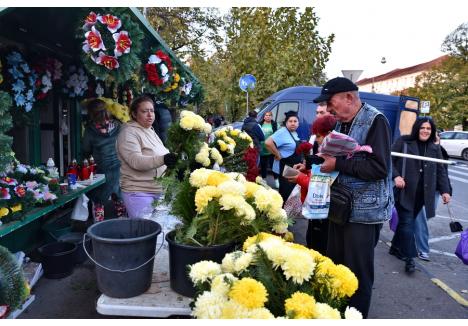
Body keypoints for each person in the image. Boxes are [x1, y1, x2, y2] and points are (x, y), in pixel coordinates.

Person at [313, 77, 393, 318]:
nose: (328, 108)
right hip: (340, 208)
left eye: (330, 102)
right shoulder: (341, 123)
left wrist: (337, 163)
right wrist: (312, 164)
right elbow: (336, 157)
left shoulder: (376, 120)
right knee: (336, 268)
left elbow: (379, 168)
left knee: (357, 276)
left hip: (364, 214)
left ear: (349, 97)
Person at [390, 118, 451, 268]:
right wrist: (396, 176)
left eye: (428, 129)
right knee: (407, 222)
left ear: (432, 132)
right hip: (405, 191)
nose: (425, 131)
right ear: (417, 128)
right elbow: (388, 160)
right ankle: (409, 257)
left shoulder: (434, 148)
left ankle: (395, 248)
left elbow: (441, 170)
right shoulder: (404, 142)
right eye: (422, 128)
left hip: (423, 195)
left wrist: (445, 191)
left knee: (407, 222)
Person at [116, 95, 178, 218]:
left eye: (152, 111)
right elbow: (136, 161)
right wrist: (163, 159)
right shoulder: (128, 133)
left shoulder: (150, 130)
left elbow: (159, 153)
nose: (150, 115)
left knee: (159, 230)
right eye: (144, 111)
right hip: (138, 192)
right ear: (134, 114)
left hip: (156, 190)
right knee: (145, 232)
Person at [284, 114, 337, 254]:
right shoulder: (325, 152)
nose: (317, 140)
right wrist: (306, 170)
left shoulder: (333, 156)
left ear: (330, 135)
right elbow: (317, 177)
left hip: (322, 212)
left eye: (319, 136)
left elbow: (321, 186)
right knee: (312, 242)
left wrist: (300, 177)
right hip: (315, 210)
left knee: (318, 248)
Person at [82, 99, 125, 221]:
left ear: (91, 114)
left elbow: (85, 150)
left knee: (98, 201)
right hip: (118, 169)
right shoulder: (118, 126)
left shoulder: (90, 131)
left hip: (101, 171)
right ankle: (124, 225)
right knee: (119, 199)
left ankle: (98, 228)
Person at [413, 132, 453, 261]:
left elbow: (443, 172)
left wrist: (446, 191)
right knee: (421, 219)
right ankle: (423, 249)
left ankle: (402, 239)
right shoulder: (417, 148)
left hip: (434, 191)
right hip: (419, 190)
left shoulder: (440, 150)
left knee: (425, 217)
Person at [264, 110, 303, 202]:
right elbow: (268, 142)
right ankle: (282, 213)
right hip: (286, 167)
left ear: (298, 123)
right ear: (286, 123)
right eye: (290, 121)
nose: (293, 123)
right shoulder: (283, 131)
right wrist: (277, 154)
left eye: (295, 121)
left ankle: (288, 213)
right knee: (286, 192)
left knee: (292, 192)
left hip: (294, 167)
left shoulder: (295, 133)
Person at [259, 111, 279, 187]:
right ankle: (263, 180)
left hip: (271, 148)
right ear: (264, 117)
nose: (267, 116)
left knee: (273, 165)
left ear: (271, 117)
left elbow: (277, 135)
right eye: (266, 115)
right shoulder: (260, 124)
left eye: (269, 115)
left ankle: (276, 181)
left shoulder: (275, 124)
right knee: (263, 165)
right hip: (262, 148)